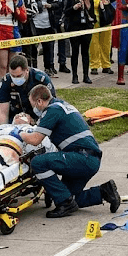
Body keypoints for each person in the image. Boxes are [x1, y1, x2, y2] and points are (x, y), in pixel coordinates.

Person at [17, 84, 120, 218]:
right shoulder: (61, 105)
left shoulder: (52, 110)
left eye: (33, 105)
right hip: (89, 158)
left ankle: (65, 203)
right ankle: (105, 192)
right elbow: (48, 126)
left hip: (82, 158)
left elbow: (35, 139)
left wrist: (19, 132)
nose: (33, 109)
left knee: (38, 162)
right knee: (71, 196)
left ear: (39, 101)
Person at [0, 54, 56, 125]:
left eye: (19, 76)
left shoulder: (41, 79)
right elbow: (3, 112)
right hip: (15, 118)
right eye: (12, 76)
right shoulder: (6, 82)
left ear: (27, 70)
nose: (15, 79)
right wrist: (5, 129)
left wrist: (35, 121)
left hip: (39, 117)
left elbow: (52, 108)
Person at [85, 0, 115, 75]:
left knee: (106, 43)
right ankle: (94, 66)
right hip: (93, 19)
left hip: (105, 18)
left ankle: (106, 65)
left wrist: (106, 2)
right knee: (93, 44)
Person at [64, 0, 94, 84]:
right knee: (75, 53)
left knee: (85, 53)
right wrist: (74, 8)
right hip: (75, 29)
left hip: (86, 29)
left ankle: (86, 75)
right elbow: (66, 12)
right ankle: (75, 76)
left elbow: (93, 15)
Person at [47, 0, 72, 74]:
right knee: (51, 40)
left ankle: (63, 63)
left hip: (64, 12)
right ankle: (51, 65)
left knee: (64, 39)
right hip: (52, 13)